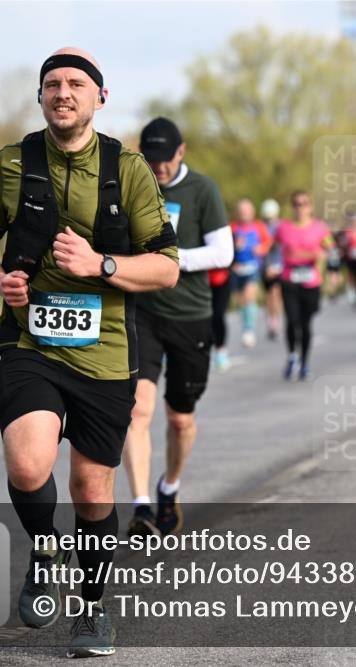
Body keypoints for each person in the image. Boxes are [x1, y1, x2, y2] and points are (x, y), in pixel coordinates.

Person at [0, 48, 180, 657]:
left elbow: (165, 269)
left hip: (106, 352)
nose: (63, 92)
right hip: (30, 341)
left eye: (76, 84)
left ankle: (91, 609)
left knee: (90, 491)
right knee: (29, 463)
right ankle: (42, 548)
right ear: (40, 97)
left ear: (99, 98)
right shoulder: (10, 163)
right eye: (52, 83)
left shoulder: (129, 168)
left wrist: (101, 264)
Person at [124, 116, 232, 541]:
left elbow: (224, 252)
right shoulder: (133, 184)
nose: (159, 169)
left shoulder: (202, 190)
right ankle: (140, 507)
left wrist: (171, 262)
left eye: (165, 160)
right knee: (137, 408)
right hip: (142, 313)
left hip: (190, 316)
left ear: (181, 152)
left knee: (180, 418)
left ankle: (168, 486)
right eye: (151, 160)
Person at [276, 190, 334, 379]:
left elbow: (329, 248)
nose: (300, 208)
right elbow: (271, 247)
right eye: (297, 204)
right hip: (289, 279)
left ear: (311, 207)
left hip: (311, 281)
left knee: (306, 323)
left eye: (304, 204)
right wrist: (270, 267)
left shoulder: (319, 228)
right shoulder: (284, 227)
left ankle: (305, 363)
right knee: (292, 320)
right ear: (292, 207)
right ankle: (292, 355)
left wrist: (323, 260)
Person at [230, 198, 272, 349]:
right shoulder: (233, 228)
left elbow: (268, 242)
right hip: (237, 267)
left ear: (252, 212)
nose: (244, 214)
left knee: (249, 295)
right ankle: (246, 324)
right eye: (242, 212)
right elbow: (226, 246)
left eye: (247, 211)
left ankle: (249, 329)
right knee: (241, 299)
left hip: (253, 266)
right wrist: (235, 245)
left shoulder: (259, 226)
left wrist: (260, 248)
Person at [259, 199, 284, 340]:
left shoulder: (280, 226)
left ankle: (276, 320)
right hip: (265, 265)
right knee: (269, 294)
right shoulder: (260, 227)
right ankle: (271, 319)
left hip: (279, 264)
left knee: (277, 293)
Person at [209, 267, 232, 371]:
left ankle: (221, 349)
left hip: (222, 279)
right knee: (206, 318)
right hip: (202, 281)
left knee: (218, 315)